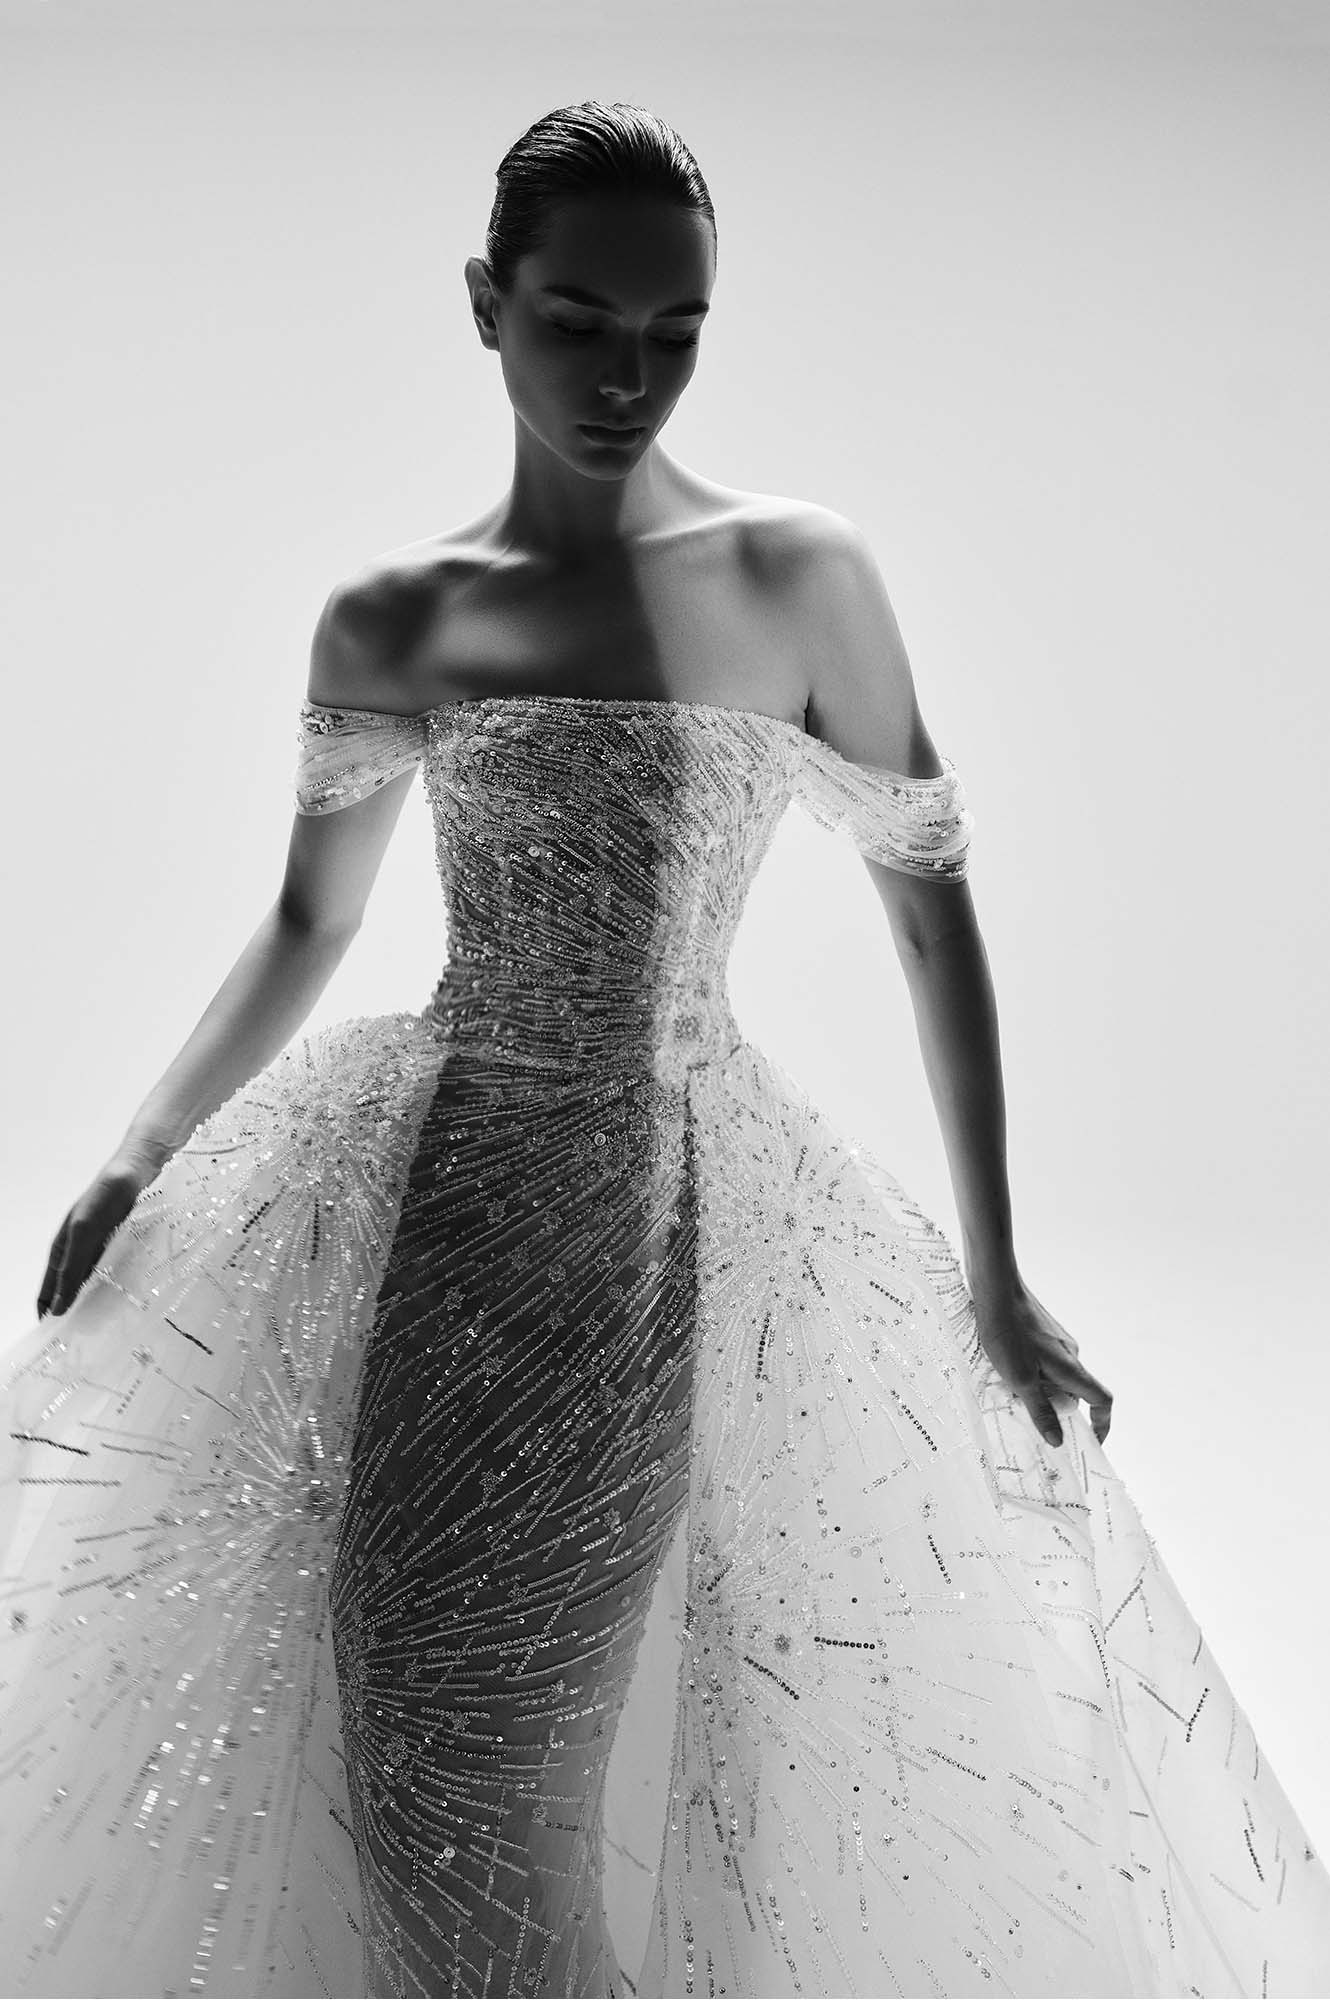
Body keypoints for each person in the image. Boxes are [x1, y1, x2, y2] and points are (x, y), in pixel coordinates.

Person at [1, 98, 1326, 2000]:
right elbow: (310, 920)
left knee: (493, 1771)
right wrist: (140, 1150)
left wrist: (995, 1265)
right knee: (393, 1747)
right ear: (485, 304)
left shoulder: (795, 578)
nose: (627, 375)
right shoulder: (397, 615)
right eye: (577, 322)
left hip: (642, 1216)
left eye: (674, 330)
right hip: (435, 1207)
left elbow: (926, 904)